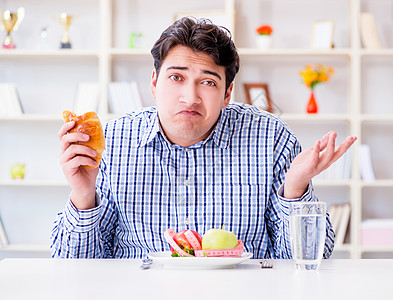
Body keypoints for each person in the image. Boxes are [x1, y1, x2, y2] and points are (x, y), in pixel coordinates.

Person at [51, 17, 356, 259]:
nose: (190, 97)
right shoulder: (113, 142)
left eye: (207, 82)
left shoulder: (271, 137)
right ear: (155, 83)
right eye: (176, 77)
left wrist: (295, 189)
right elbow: (73, 266)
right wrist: (83, 197)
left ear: (227, 94)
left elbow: (311, 258)